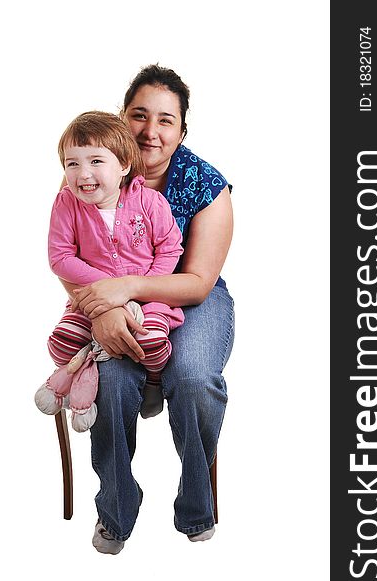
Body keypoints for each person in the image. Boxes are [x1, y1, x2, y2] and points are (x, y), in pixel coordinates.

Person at [63, 65, 235, 554]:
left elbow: (199, 281)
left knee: (195, 378)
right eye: (139, 115)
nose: (150, 131)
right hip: (104, 295)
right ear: (122, 116)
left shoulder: (207, 184)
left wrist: (127, 288)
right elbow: (65, 252)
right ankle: (117, 510)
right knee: (113, 383)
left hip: (189, 296)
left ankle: (196, 503)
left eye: (166, 119)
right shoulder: (92, 166)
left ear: (182, 129)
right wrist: (98, 308)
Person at [37, 111, 185, 430]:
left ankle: (153, 384)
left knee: (153, 343)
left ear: (123, 166)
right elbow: (60, 257)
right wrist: (107, 290)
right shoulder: (67, 203)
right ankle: (78, 379)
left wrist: (140, 288)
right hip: (92, 300)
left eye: (95, 161)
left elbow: (171, 247)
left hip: (148, 299)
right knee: (61, 341)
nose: (82, 173)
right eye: (72, 163)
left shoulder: (150, 202)